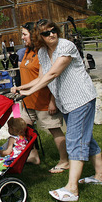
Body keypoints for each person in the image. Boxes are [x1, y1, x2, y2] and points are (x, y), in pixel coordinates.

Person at [14, 19, 102, 202]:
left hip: (80, 99)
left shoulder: (66, 46)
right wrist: (22, 89)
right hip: (66, 102)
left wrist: (31, 91)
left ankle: (72, 188)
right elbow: (41, 76)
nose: (52, 34)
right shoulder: (42, 52)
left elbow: (53, 74)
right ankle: (101, 175)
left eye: (53, 30)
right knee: (85, 138)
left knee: (75, 139)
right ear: (39, 37)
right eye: (46, 33)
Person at [15, 22, 69, 173]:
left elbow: (49, 77)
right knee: (23, 128)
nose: (22, 37)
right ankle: (33, 155)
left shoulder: (43, 53)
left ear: (33, 35)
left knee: (54, 130)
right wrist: (20, 88)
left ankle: (64, 160)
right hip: (28, 100)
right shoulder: (26, 52)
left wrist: (53, 101)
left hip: (43, 100)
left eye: (25, 34)